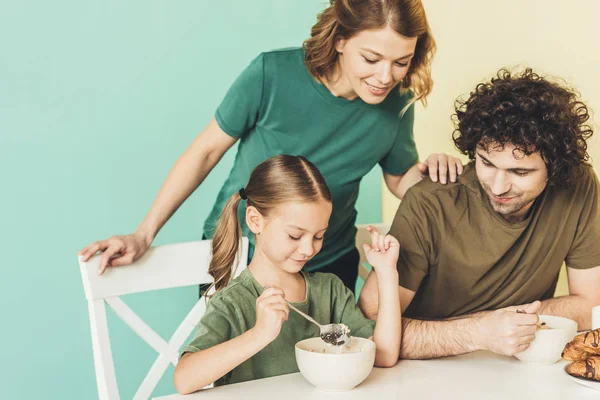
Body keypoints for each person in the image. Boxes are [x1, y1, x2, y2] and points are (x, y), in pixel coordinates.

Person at [77, 0, 462, 292]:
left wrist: (435, 171)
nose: (385, 77)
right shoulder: (271, 74)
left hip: (328, 266)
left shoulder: (397, 102)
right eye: (372, 58)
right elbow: (205, 152)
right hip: (241, 258)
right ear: (341, 40)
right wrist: (144, 233)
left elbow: (400, 180)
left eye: (400, 62)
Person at [359, 68, 600, 359]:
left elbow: (591, 304)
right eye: (486, 163)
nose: (498, 186)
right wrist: (479, 331)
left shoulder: (579, 185)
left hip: (518, 364)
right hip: (427, 371)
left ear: (557, 168)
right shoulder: (431, 202)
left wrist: (506, 325)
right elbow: (367, 330)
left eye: (520, 171)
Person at [173, 155, 401, 394]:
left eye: (318, 236)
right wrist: (259, 334)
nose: (308, 249)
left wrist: (386, 272)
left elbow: (383, 355)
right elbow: (184, 379)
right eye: (294, 235)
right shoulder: (233, 302)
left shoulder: (330, 291)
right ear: (255, 221)